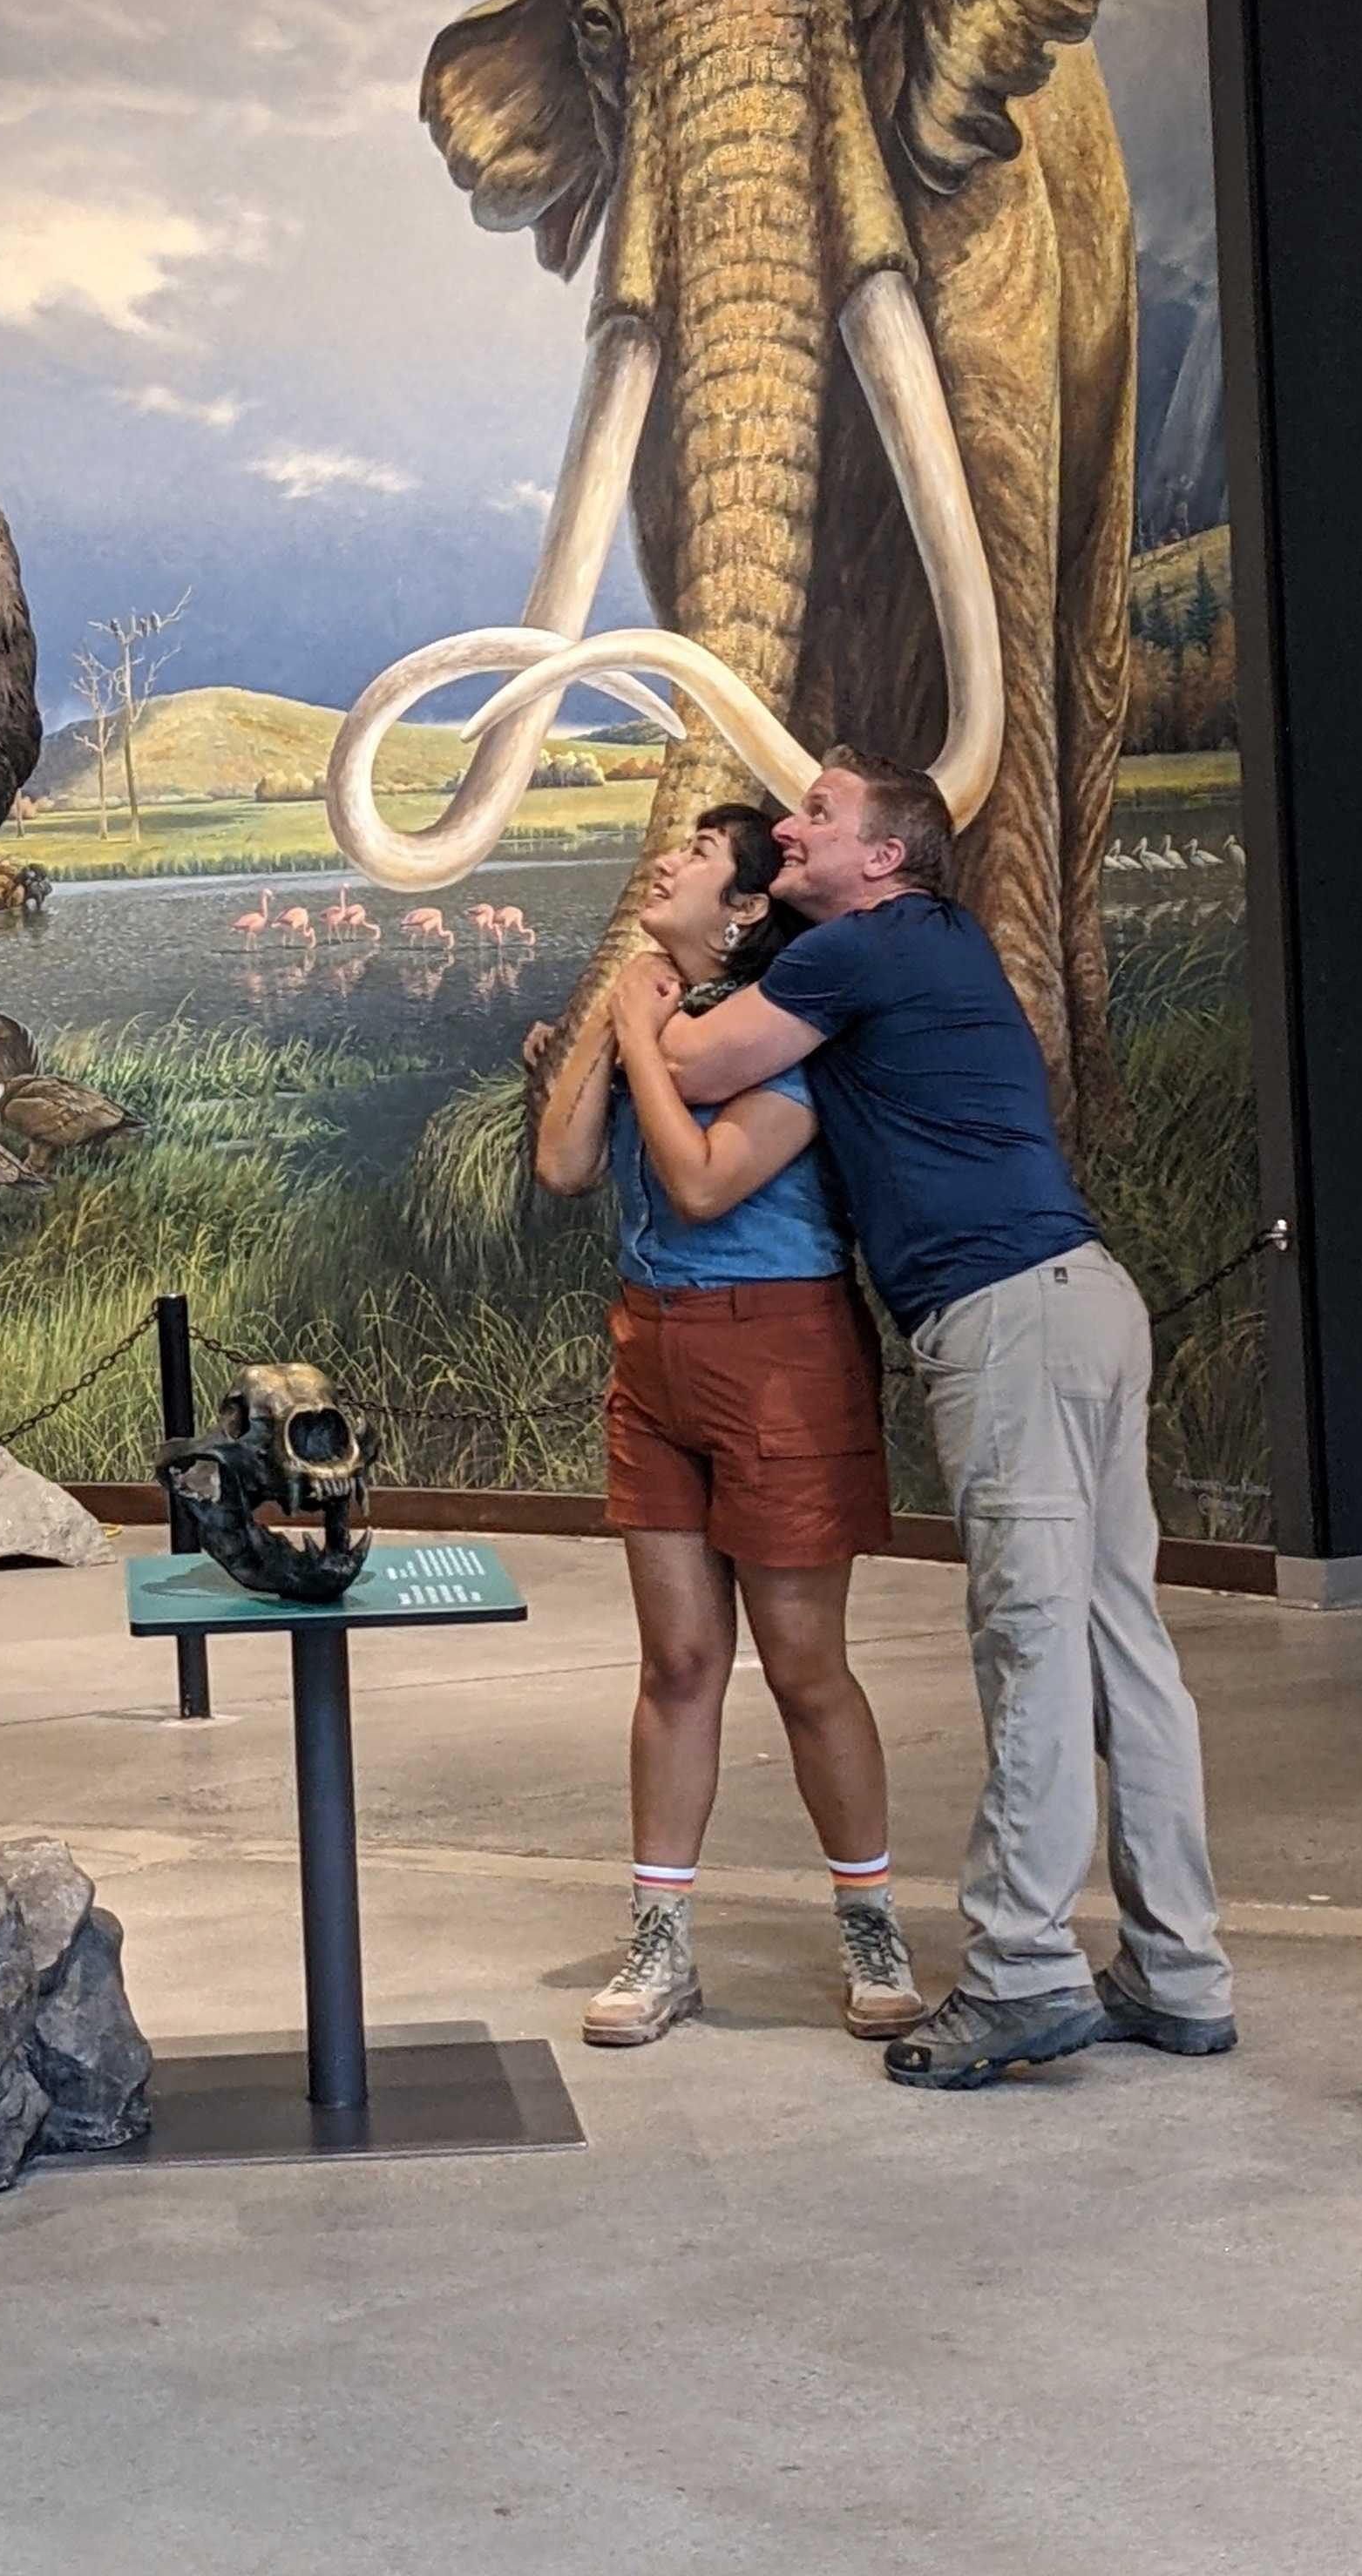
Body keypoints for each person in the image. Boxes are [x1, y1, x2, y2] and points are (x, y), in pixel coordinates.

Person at [638, 747, 1237, 2091]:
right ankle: (1179, 1970)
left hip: (1007, 1318)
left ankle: (1023, 1974)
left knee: (1031, 1645)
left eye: (823, 815)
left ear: (888, 855)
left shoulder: (862, 948)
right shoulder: (928, 942)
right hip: (1081, 1300)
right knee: (1116, 1641)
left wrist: (642, 989)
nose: (791, 828)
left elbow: (690, 1066)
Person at [525, 804, 924, 2052]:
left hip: (781, 1352)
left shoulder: (788, 1041)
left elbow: (700, 1181)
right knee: (680, 1663)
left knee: (804, 1665)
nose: (668, 862)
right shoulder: (662, 1018)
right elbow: (565, 1168)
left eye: (698, 857)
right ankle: (662, 1945)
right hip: (652, 1350)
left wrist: (643, 1028)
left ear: (747, 908)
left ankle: (871, 1925)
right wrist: (615, 1025)